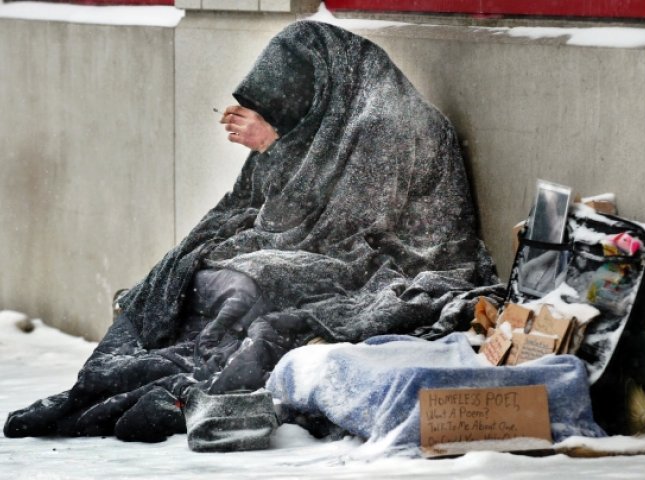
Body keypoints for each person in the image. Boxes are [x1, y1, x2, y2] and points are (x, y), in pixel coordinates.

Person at [5, 20, 501, 444]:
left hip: (389, 260)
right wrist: (271, 146)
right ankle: (120, 378)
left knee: (255, 282)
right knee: (194, 265)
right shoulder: (324, 118)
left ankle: (196, 382)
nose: (280, 125)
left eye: (284, 112)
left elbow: (335, 230)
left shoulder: (391, 126)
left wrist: (273, 143)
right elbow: (246, 206)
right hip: (328, 248)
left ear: (319, 87)